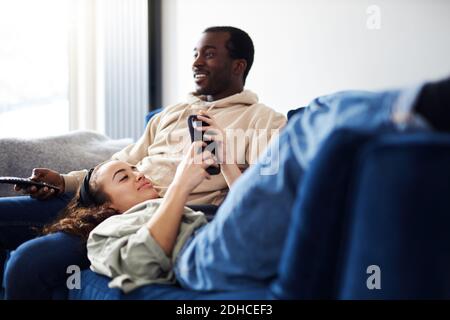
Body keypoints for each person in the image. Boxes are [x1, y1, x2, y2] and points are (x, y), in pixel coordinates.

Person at [25, 76, 450, 295]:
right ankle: (420, 103)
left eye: (208, 53)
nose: (137, 173)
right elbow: (140, 265)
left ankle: (413, 124)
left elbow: (242, 210)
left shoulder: (256, 117)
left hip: (220, 228)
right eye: (124, 177)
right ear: (107, 206)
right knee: (307, 129)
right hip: (199, 257)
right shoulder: (107, 230)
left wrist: (227, 162)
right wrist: (182, 182)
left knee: (320, 116)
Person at [1, 26, 286, 299]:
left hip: (148, 213)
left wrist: (225, 161)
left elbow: (266, 195)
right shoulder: (173, 112)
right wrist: (64, 181)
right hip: (108, 196)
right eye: (195, 53)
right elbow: (123, 160)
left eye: (208, 54)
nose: (196, 62)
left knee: (28, 264)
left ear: (238, 66)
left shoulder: (264, 121)